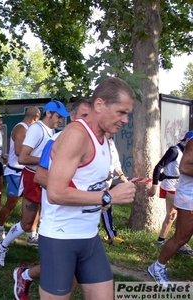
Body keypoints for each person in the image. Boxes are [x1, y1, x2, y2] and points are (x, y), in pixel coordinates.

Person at [38, 77, 136, 299]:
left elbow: (87, 185)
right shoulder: (76, 135)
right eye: (121, 112)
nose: (126, 120)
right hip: (60, 239)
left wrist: (102, 197)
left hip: (89, 236)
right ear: (99, 105)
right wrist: (108, 197)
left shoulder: (103, 139)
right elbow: (55, 193)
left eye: (127, 114)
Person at [12, 98, 90, 300]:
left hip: (81, 217)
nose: (60, 121)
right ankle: (16, 263)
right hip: (55, 209)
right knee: (28, 224)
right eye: (83, 116)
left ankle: (26, 274)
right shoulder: (50, 136)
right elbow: (30, 165)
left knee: (75, 267)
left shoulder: (83, 139)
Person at [0, 100, 69, 267]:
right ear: (48, 113)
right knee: (27, 223)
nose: (60, 120)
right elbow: (23, 158)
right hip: (32, 177)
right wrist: (50, 161)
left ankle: (50, 258)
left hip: (47, 179)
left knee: (48, 218)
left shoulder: (52, 130)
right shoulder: (36, 129)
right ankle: (2, 245)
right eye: (58, 116)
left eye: (62, 118)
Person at [147, 132, 193, 288]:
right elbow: (184, 166)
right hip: (188, 199)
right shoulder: (189, 144)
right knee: (182, 237)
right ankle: (157, 267)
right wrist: (155, 184)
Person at [0, 106, 41, 241]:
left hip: (29, 171)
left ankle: (33, 234)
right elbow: (20, 153)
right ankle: (0, 226)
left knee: (35, 202)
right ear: (36, 117)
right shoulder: (21, 129)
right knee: (11, 203)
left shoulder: (31, 130)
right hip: (15, 171)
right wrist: (41, 157)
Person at [101, 132, 128, 243]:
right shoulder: (98, 142)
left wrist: (122, 176)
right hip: (98, 182)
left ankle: (111, 234)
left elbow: (116, 162)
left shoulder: (111, 143)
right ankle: (111, 235)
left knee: (105, 206)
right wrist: (103, 174)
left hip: (107, 182)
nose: (114, 131)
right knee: (106, 205)